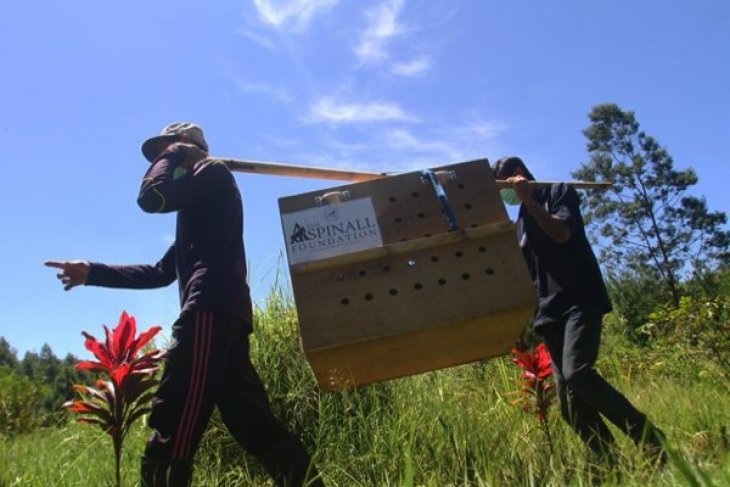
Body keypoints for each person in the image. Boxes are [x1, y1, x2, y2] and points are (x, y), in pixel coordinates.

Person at [46, 122, 324, 487]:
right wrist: (92, 272)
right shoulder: (201, 202)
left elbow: (151, 196)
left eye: (169, 151)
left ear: (189, 148)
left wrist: (177, 152)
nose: (164, 159)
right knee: (253, 423)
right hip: (221, 313)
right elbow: (160, 272)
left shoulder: (213, 172)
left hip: (209, 308)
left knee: (173, 424)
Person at [493, 156, 666, 466]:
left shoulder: (558, 192)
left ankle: (651, 440)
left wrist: (528, 200)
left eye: (504, 185)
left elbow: (561, 234)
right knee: (570, 405)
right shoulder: (519, 222)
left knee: (578, 373)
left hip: (578, 300)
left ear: (517, 176)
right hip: (548, 313)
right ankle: (613, 465)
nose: (505, 196)